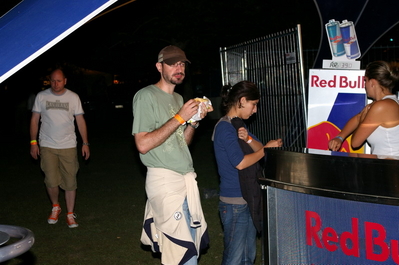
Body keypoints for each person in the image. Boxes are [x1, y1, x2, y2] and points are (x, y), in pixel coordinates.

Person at [132, 45, 210, 265]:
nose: (179, 67)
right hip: (165, 182)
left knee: (190, 250)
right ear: (159, 67)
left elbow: (181, 142)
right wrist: (179, 117)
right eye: (173, 63)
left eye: (182, 63)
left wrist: (193, 122)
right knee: (183, 256)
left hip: (185, 181)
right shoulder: (145, 96)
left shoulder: (178, 99)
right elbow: (143, 144)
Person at [212, 81, 282, 265]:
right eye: (254, 104)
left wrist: (250, 139)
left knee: (247, 257)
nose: (255, 110)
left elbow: (258, 148)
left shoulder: (238, 125)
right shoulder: (224, 128)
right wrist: (265, 150)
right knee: (234, 259)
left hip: (247, 199)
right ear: (242, 100)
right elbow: (241, 163)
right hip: (234, 202)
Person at [30, 68, 90, 228]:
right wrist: (33, 143)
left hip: (68, 145)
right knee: (51, 180)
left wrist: (85, 143)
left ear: (65, 81)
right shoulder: (41, 97)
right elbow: (35, 120)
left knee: (70, 181)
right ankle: (56, 206)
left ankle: (70, 214)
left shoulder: (73, 97)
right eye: (53, 81)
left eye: (59, 81)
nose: (55, 84)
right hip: (47, 144)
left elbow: (80, 121)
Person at [328, 61, 399, 156]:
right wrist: (340, 137)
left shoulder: (381, 106)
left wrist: (362, 120)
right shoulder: (385, 103)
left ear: (373, 82)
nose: (364, 85)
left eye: (365, 80)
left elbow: (355, 143)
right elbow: (358, 118)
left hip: (390, 166)